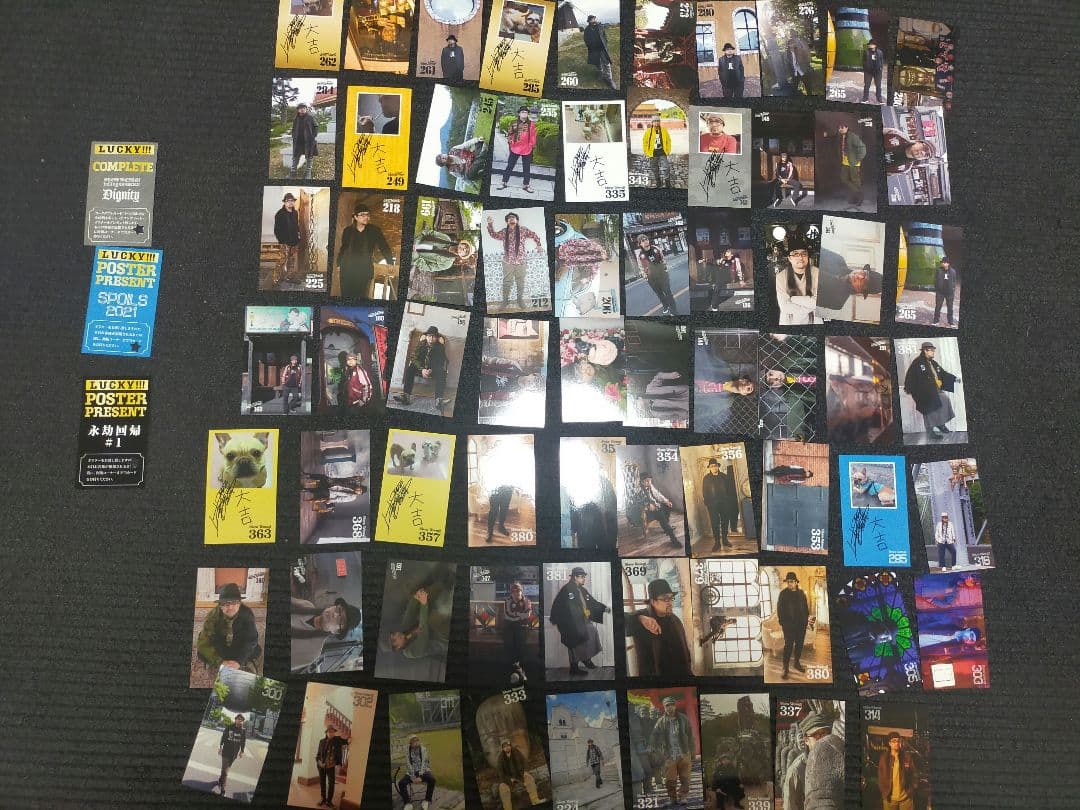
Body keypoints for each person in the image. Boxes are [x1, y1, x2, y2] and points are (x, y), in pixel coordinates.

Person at [625, 579, 692, 677]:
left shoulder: (675, 619)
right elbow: (618, 620)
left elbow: (684, 649)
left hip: (681, 675)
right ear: (653, 602)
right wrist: (639, 618)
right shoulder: (643, 618)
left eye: (671, 598)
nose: (670, 603)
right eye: (665, 599)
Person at [548, 566, 607, 676]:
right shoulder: (567, 589)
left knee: (592, 631)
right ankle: (574, 667)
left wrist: (604, 608)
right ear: (575, 577)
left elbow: (592, 601)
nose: (584, 579)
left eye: (584, 577)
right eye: (582, 577)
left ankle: (586, 659)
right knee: (574, 642)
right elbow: (562, 606)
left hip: (580, 620)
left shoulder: (581, 589)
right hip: (569, 622)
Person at [196, 583, 262, 674]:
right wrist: (220, 661)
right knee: (201, 653)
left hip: (238, 643)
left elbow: (251, 639)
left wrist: (239, 661)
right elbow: (203, 642)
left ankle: (236, 661)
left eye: (234, 603)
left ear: (239, 604)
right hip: (221, 644)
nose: (230, 607)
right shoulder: (212, 616)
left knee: (256, 650)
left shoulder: (247, 614)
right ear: (220, 605)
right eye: (226, 603)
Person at [335, 202, 394, 299]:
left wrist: (390, 261)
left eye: (367, 214)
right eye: (362, 215)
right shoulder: (348, 231)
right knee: (346, 297)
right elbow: (344, 248)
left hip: (363, 270)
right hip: (347, 270)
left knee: (360, 297)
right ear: (355, 217)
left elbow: (384, 246)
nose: (366, 217)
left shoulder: (374, 231)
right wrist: (339, 263)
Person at [902, 342, 960, 439]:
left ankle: (940, 424)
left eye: (934, 350)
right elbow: (910, 377)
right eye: (931, 350)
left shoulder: (933, 363)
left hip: (934, 389)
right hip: (923, 392)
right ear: (925, 351)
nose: (933, 352)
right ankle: (930, 432)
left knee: (944, 400)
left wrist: (955, 379)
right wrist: (912, 390)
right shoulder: (917, 362)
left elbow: (943, 373)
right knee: (929, 410)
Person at [290, 595, 363, 672]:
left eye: (340, 620)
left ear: (336, 631)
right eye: (338, 609)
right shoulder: (307, 605)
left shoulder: (312, 652)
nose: (334, 614)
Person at [487, 212, 543, 310]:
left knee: (520, 282)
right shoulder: (504, 232)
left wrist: (538, 245)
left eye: (513, 217)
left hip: (521, 262)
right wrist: (490, 224)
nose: (511, 218)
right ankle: (505, 301)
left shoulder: (523, 230)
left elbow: (534, 235)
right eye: (509, 218)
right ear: (507, 222)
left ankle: (520, 300)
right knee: (506, 282)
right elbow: (494, 235)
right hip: (507, 263)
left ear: (517, 220)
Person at [648, 696, 694, 807]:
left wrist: (692, 751)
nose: (669, 707)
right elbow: (654, 735)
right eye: (667, 705)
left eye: (671, 705)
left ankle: (683, 797)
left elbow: (690, 735)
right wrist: (652, 746)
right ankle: (672, 798)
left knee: (685, 777)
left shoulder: (683, 718)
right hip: (669, 754)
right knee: (670, 779)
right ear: (664, 707)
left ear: (675, 706)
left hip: (684, 752)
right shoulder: (661, 721)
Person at [393, 326, 449, 409]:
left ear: (437, 338)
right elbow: (413, 358)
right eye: (429, 336)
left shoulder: (440, 347)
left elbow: (441, 362)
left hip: (433, 369)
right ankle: (406, 396)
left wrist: (431, 370)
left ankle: (439, 400)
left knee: (442, 373)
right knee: (410, 368)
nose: (431, 338)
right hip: (421, 368)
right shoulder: (421, 344)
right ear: (426, 337)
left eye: (433, 336)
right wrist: (422, 369)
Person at [388, 588, 450, 663]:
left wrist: (415, 597)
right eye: (394, 640)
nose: (397, 634)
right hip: (443, 638)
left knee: (441, 597)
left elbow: (410, 613)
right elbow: (424, 632)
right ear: (397, 648)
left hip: (435, 623)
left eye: (394, 633)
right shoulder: (410, 652)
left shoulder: (404, 632)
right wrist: (423, 604)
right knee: (443, 607)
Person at [801, 711, 845, 810]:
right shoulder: (796, 769)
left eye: (824, 733)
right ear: (806, 740)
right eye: (816, 735)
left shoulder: (837, 756)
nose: (822, 738)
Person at [775, 237, 819, 324]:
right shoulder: (781, 277)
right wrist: (810, 302)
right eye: (795, 254)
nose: (800, 257)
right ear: (789, 258)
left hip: (814, 321)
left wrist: (793, 299)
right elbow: (785, 307)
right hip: (790, 322)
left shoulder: (817, 273)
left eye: (804, 254)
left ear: (808, 257)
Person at [823, 123, 867, 210]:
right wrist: (827, 134)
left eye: (842, 127)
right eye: (839, 127)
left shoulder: (853, 136)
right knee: (844, 179)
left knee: (855, 181)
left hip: (853, 163)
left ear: (847, 128)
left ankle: (858, 198)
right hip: (845, 162)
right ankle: (858, 194)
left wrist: (858, 158)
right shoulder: (841, 135)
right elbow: (834, 135)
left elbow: (862, 147)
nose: (840, 129)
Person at [776, 571, 809, 679]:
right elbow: (779, 610)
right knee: (788, 646)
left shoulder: (801, 593)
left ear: (796, 582)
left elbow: (805, 608)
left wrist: (805, 621)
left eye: (791, 581)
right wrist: (784, 623)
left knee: (799, 645)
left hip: (801, 625)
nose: (789, 583)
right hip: (789, 626)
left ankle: (796, 663)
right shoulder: (783, 594)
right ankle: (785, 668)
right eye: (788, 582)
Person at [701, 457, 740, 551]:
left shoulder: (724, 476)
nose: (714, 467)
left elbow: (729, 490)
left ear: (718, 466)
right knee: (715, 523)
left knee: (725, 522)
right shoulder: (706, 478)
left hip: (724, 504)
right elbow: (704, 492)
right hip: (712, 505)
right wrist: (708, 503)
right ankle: (717, 542)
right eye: (712, 466)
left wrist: (728, 502)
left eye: (715, 466)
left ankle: (725, 540)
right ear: (709, 468)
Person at [497, 106, 538, 194]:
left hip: (527, 148)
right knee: (510, 165)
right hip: (515, 148)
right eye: (522, 112)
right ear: (519, 113)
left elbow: (533, 136)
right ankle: (504, 182)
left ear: (528, 114)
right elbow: (509, 134)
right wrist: (511, 144)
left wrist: (531, 145)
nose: (524, 114)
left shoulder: (531, 124)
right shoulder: (513, 123)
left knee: (526, 168)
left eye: (526, 112)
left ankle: (526, 185)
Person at [635, 233, 678, 315]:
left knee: (668, 293)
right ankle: (665, 305)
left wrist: (665, 269)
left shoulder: (656, 249)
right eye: (643, 241)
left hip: (662, 275)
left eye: (646, 239)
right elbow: (640, 266)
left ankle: (674, 311)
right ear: (640, 244)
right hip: (651, 278)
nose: (645, 241)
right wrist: (645, 276)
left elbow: (663, 259)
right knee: (659, 294)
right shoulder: (640, 255)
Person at [495, 739, 544, 809]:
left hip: (519, 776)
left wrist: (525, 772)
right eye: (505, 747)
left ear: (510, 746)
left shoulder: (516, 752)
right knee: (502, 787)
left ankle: (535, 801)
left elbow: (524, 762)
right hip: (509, 779)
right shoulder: (500, 758)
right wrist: (509, 779)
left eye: (508, 746)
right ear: (502, 748)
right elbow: (500, 773)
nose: (507, 748)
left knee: (529, 778)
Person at [877, 732, 919, 810]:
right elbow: (880, 776)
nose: (897, 743)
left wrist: (912, 788)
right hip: (890, 799)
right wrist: (884, 791)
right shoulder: (884, 758)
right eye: (894, 741)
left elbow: (914, 774)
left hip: (906, 799)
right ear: (889, 743)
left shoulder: (907, 757)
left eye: (898, 741)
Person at [396, 733, 436, 810]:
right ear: (410, 743)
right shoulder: (407, 750)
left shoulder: (423, 749)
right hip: (411, 772)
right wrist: (413, 777)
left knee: (432, 779)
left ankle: (427, 800)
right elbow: (408, 764)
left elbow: (425, 763)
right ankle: (407, 803)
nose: (416, 742)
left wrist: (420, 776)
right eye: (414, 741)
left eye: (417, 740)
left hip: (423, 770)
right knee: (401, 783)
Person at [640, 473, 681, 547]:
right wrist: (648, 505)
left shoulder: (650, 486)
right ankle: (673, 538)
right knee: (660, 515)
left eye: (650, 480)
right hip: (648, 511)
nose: (649, 482)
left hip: (656, 506)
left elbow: (658, 495)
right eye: (646, 481)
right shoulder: (639, 490)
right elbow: (637, 501)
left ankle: (666, 527)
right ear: (642, 482)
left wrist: (666, 501)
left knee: (667, 506)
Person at [502, 581, 533, 679]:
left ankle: (521, 670)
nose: (516, 593)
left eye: (518, 591)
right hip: (509, 626)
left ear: (521, 591)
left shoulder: (527, 601)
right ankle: (512, 670)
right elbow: (507, 615)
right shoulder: (507, 601)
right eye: (514, 591)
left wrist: (515, 615)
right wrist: (520, 616)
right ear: (511, 593)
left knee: (521, 645)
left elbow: (528, 614)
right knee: (509, 644)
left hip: (522, 626)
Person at [316, 725, 350, 808]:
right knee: (322, 783)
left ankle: (329, 801)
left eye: (332, 732)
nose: (331, 733)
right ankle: (323, 799)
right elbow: (318, 754)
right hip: (321, 766)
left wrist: (349, 741)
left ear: (334, 733)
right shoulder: (321, 741)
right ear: (326, 733)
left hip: (331, 767)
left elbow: (347, 741)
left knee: (331, 784)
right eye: (329, 731)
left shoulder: (337, 740)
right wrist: (319, 762)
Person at [216, 714, 246, 796]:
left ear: (243, 721)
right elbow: (223, 737)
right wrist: (221, 746)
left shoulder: (243, 730)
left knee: (224, 770)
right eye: (238, 719)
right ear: (235, 719)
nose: (240, 720)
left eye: (241, 720)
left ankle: (220, 780)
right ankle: (223, 790)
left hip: (234, 754)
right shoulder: (229, 727)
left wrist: (242, 751)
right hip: (226, 751)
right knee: (225, 772)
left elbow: (243, 741)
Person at [583, 15, 616, 90]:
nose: (594, 20)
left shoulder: (599, 26)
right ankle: (601, 73)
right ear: (589, 21)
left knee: (606, 63)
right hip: (594, 49)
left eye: (594, 19)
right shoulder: (587, 29)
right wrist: (590, 46)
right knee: (597, 63)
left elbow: (604, 35)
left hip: (602, 48)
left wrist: (605, 43)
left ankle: (609, 79)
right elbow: (585, 39)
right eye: (592, 19)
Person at [274, 192, 301, 281]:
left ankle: (289, 276)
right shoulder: (280, 214)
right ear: (285, 202)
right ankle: (276, 278)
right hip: (285, 242)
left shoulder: (295, 213)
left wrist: (298, 236)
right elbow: (276, 229)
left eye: (292, 200)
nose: (290, 202)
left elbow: (296, 226)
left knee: (292, 261)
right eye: (288, 201)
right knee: (282, 260)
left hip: (294, 241)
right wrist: (282, 241)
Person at [289, 102, 318, 180]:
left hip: (308, 142)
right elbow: (293, 129)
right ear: (298, 110)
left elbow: (316, 127)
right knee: (295, 157)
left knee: (309, 157)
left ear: (306, 109)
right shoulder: (296, 118)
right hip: (298, 142)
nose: (302, 109)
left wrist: (313, 136)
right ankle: (293, 172)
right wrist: (293, 136)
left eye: (304, 108)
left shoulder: (310, 117)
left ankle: (308, 173)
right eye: (300, 108)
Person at [642, 114, 672, 188]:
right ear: (652, 122)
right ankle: (658, 181)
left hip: (662, 152)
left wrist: (668, 150)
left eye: (658, 121)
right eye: (655, 121)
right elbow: (645, 142)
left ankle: (667, 182)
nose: (656, 123)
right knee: (654, 168)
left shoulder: (664, 130)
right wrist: (647, 152)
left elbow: (668, 140)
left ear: (659, 122)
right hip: (653, 153)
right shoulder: (648, 131)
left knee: (666, 167)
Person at [933, 255, 958, 326]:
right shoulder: (939, 270)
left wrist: (953, 289)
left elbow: (954, 281)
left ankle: (950, 322)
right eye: (942, 262)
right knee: (938, 307)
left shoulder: (953, 271)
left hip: (949, 293)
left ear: (948, 263)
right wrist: (937, 288)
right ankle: (936, 321)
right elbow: (935, 280)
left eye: (944, 262)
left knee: (950, 308)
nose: (942, 263)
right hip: (940, 292)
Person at [862, 39, 884, 103]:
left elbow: (882, 61)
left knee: (878, 85)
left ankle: (879, 98)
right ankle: (865, 98)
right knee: (867, 85)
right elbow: (863, 61)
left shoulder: (880, 52)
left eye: (871, 44)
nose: (869, 45)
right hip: (868, 72)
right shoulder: (866, 52)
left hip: (877, 72)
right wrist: (865, 68)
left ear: (875, 45)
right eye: (869, 44)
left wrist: (881, 68)